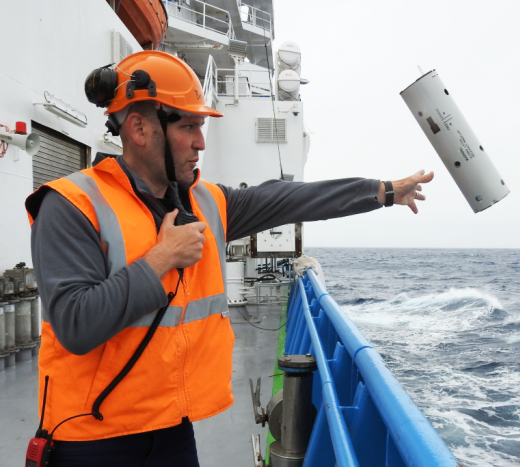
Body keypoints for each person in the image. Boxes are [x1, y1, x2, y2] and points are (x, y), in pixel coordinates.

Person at [25, 51, 433, 467]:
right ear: (139, 127)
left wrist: (381, 191)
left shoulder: (205, 201)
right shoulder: (71, 205)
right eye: (188, 127)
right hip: (92, 440)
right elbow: (75, 325)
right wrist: (160, 258)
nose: (201, 142)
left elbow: (285, 198)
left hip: (172, 430)